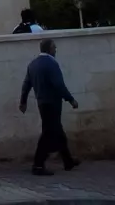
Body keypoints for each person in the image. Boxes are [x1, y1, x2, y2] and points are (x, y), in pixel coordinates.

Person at [19, 38, 80, 176]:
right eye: (54, 47)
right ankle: (38, 165)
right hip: (52, 103)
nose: (56, 50)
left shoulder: (33, 64)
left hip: (42, 102)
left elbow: (26, 84)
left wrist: (23, 101)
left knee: (58, 131)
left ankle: (68, 161)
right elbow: (58, 84)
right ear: (50, 49)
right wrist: (70, 99)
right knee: (48, 133)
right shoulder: (51, 64)